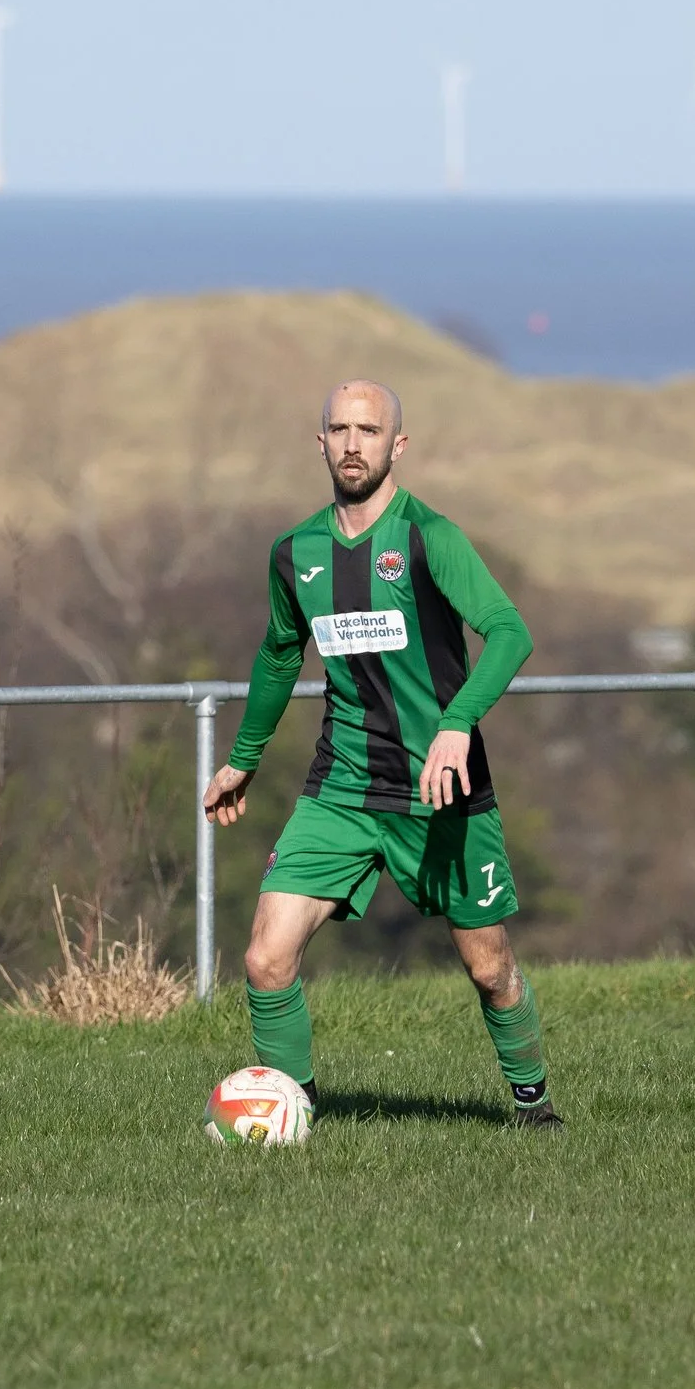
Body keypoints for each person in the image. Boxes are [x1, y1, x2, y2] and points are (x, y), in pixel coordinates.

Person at [201, 379, 560, 1130]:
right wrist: (244, 757)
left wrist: (458, 723)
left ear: (397, 446)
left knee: (490, 970)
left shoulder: (430, 537)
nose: (352, 443)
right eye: (339, 428)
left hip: (442, 789)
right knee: (266, 957)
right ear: (320, 441)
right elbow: (277, 655)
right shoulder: (296, 551)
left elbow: (509, 632)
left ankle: (532, 1104)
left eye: (369, 430)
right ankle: (290, 1113)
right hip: (341, 788)